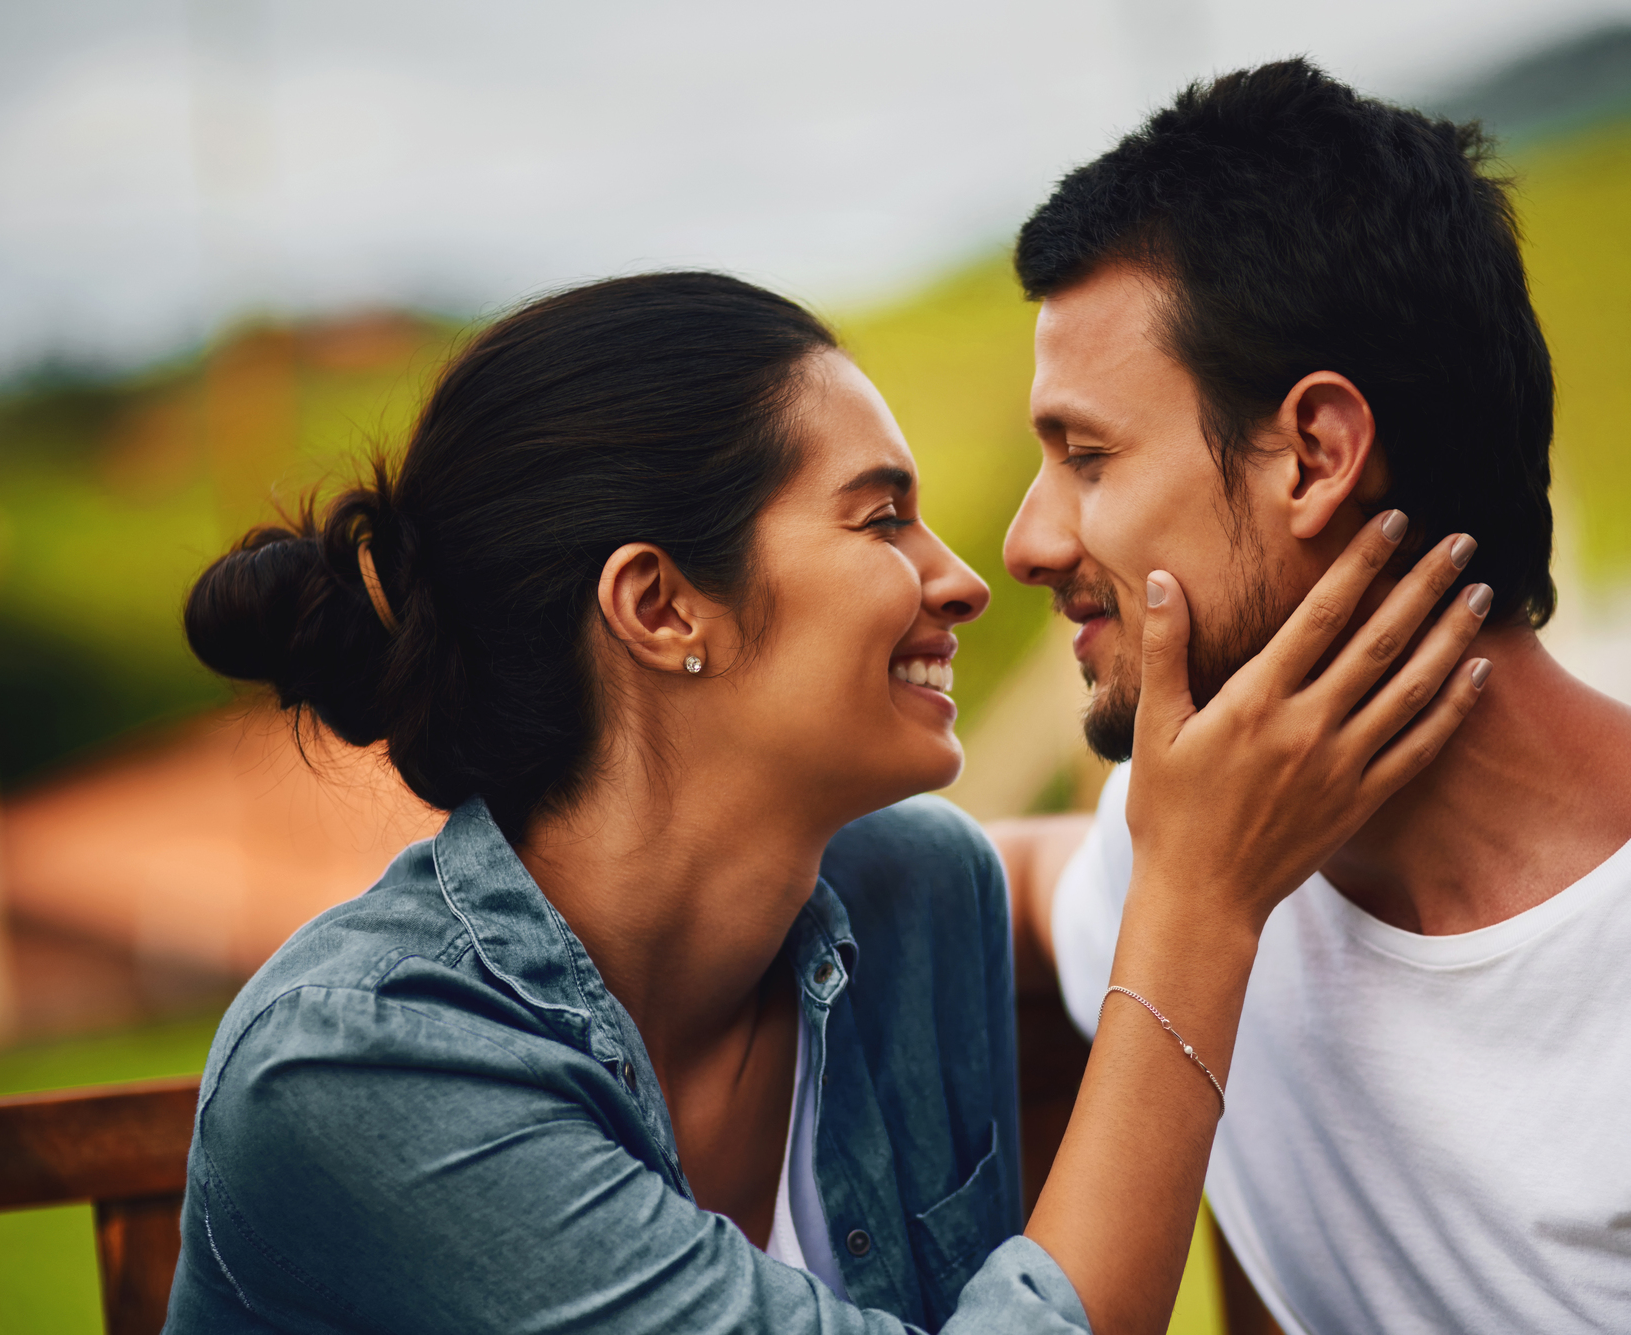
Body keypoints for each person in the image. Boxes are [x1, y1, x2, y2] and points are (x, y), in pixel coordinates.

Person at [163, 271, 1490, 1333]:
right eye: (880, 519)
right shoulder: (356, 1068)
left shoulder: (917, 894)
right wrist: (1194, 902)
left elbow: (1044, 877)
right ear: (661, 605)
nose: (965, 576)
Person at [993, 60, 1631, 1335]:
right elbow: (984, 886)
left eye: (1085, 458)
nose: (1025, 542)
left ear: (1316, 454)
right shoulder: (1196, 851)